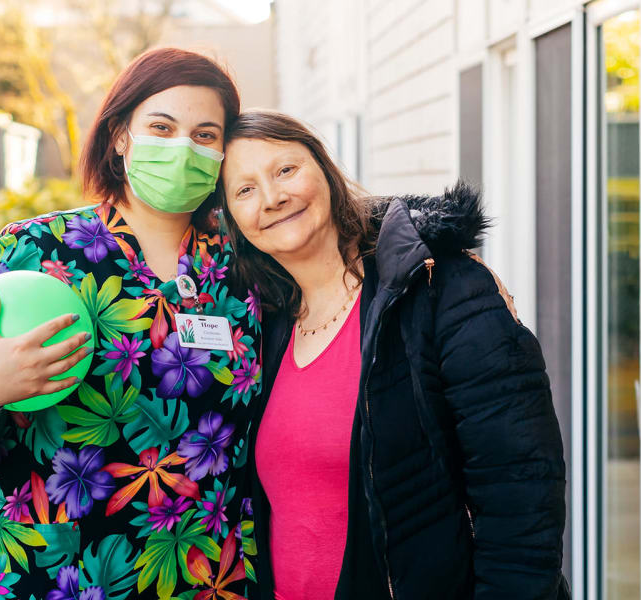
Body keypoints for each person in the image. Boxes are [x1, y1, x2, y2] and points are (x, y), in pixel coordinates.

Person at [0, 48, 263, 600]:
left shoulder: (248, 265)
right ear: (121, 135)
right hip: (35, 577)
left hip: (200, 579)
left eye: (205, 135)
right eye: (161, 127)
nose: (182, 148)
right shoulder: (31, 252)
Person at [219, 110, 569, 600]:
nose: (273, 198)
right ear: (233, 218)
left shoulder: (439, 289)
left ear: (324, 168)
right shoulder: (265, 326)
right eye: (245, 189)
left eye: (285, 170)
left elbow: (521, 492)